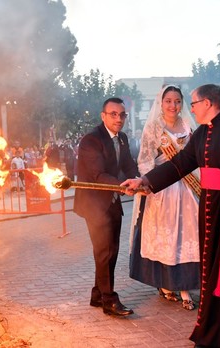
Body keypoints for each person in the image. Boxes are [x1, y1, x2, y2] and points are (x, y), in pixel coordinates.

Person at [122, 84, 220, 347]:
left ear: (208, 102)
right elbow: (180, 164)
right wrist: (144, 180)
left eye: (192, 103)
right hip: (212, 206)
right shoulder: (202, 132)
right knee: (214, 267)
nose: (189, 108)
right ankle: (218, 327)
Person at [129, 85, 200, 311]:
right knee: (165, 235)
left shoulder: (189, 126)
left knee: (187, 235)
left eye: (177, 101)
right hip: (162, 189)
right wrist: (149, 182)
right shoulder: (153, 128)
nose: (173, 105)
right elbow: (145, 160)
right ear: (161, 103)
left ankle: (185, 286)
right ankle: (165, 284)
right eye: (168, 101)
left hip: (187, 188)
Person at [73, 97, 139, 317]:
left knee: (112, 250)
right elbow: (98, 174)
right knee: (104, 251)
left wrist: (140, 181)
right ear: (103, 116)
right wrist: (124, 187)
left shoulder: (122, 139)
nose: (118, 119)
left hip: (112, 201)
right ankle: (109, 300)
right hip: (94, 203)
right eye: (113, 114)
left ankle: (97, 294)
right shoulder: (91, 140)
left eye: (122, 115)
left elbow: (128, 165)